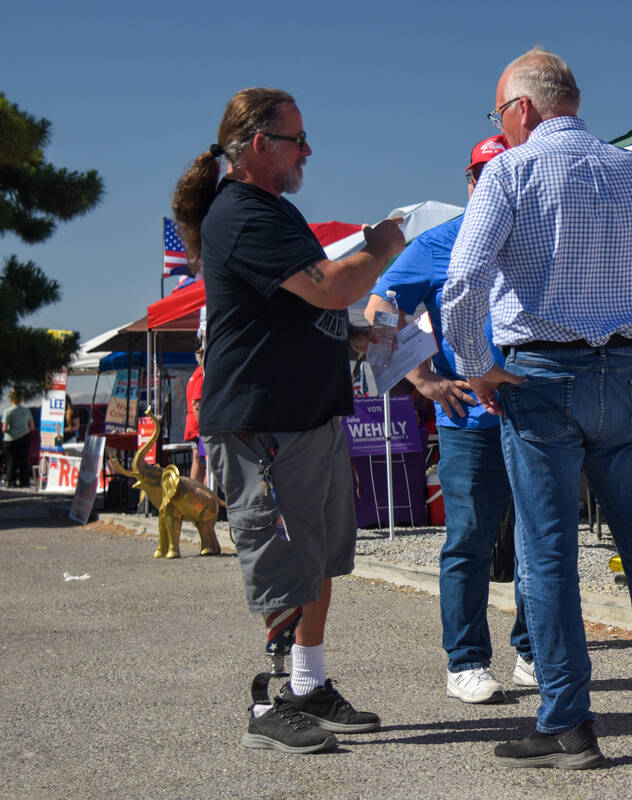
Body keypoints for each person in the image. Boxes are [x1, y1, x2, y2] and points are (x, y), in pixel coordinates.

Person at [442, 47, 632, 769]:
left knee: (548, 553)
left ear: (522, 109)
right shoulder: (631, 166)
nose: (501, 124)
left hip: (541, 375)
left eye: (500, 112)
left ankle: (569, 723)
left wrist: (478, 370)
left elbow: (462, 282)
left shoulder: (507, 171)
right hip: (624, 371)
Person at [171, 87, 406, 754]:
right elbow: (329, 285)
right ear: (257, 147)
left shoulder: (271, 212)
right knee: (281, 559)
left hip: (305, 417)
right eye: (296, 139)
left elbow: (299, 309)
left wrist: (352, 338)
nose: (308, 150)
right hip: (263, 422)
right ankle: (269, 701)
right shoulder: (243, 214)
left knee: (317, 560)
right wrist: (384, 245)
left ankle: (308, 685)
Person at [364, 134, 535, 706]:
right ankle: (466, 662)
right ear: (469, 183)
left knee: (542, 538)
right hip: (469, 424)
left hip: (537, 414)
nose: (492, 184)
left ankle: (535, 651)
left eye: (504, 172)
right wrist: (424, 378)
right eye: (482, 176)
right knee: (468, 540)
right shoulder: (440, 244)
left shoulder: (537, 234)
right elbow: (379, 308)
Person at [3, 391, 35, 488]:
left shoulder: (7, 411)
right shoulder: (26, 411)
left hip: (10, 439)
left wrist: (11, 430)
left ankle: (11, 482)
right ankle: (24, 482)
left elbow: (4, 428)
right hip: (24, 437)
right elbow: (32, 426)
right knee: (23, 461)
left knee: (11, 461)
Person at [184, 346, 205, 484]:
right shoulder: (200, 374)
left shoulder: (197, 373)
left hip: (196, 426)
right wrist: (203, 429)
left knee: (200, 460)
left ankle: (197, 496)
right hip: (199, 427)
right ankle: (199, 496)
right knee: (202, 461)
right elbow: (196, 404)